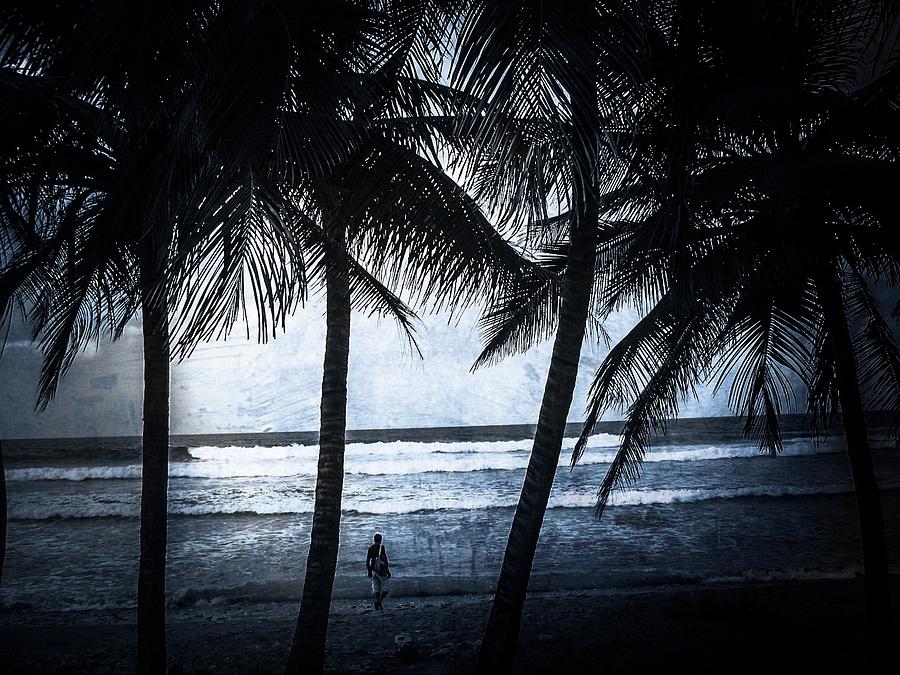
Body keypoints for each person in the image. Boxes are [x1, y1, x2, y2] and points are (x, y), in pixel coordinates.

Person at [366, 533, 391, 610]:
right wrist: (388, 570)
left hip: (374, 570)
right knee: (386, 588)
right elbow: (384, 560)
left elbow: (367, 561)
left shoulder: (370, 548)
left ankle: (378, 604)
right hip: (381, 571)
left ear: (374, 539)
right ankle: (379, 602)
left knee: (376, 588)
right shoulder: (381, 547)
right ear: (380, 539)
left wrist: (369, 571)